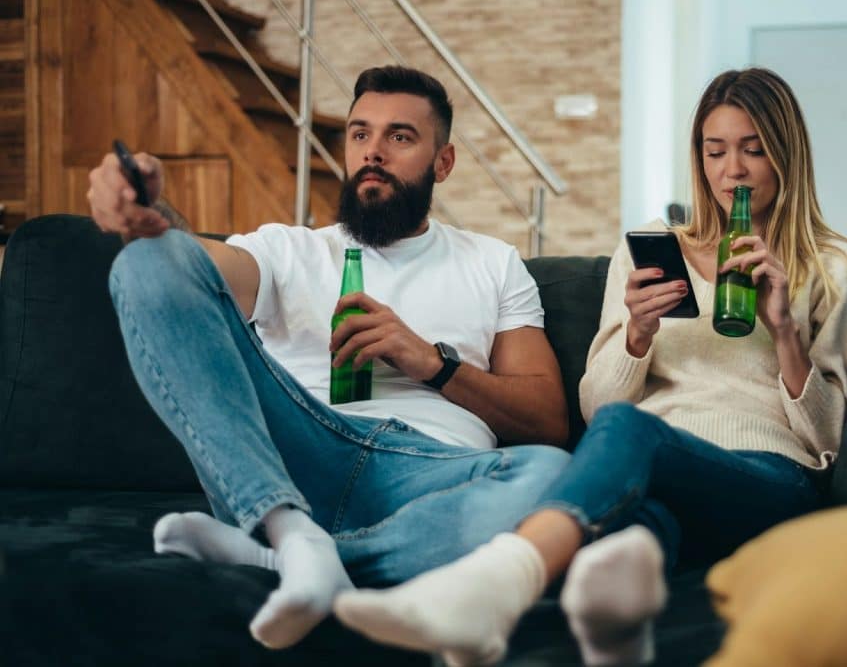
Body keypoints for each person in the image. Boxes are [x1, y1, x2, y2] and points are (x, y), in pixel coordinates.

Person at [332, 67, 847, 666]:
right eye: (715, 151)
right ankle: (608, 640)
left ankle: (495, 583)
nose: (733, 172)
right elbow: (600, 407)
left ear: (785, 154)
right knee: (627, 544)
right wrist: (637, 334)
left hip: (770, 478)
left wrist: (786, 334)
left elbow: (828, 444)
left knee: (627, 434)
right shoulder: (653, 246)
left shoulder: (837, 265)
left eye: (753, 150)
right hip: (657, 473)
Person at [86, 65, 574, 651]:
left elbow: (547, 421)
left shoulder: (494, 263)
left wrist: (431, 363)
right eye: (360, 133)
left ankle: (285, 555)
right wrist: (147, 221)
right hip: (299, 454)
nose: (373, 152)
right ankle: (290, 528)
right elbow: (181, 272)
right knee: (144, 262)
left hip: (427, 474)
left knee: (553, 477)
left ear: (442, 163)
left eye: (399, 137)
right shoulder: (289, 249)